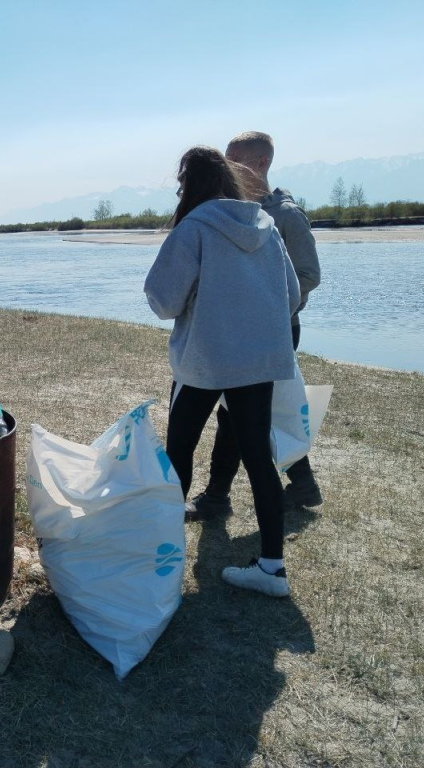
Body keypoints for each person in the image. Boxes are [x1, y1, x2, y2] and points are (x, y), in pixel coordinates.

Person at [144, 146, 300, 597]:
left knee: (180, 451)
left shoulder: (194, 228)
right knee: (259, 458)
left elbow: (162, 301)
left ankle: (163, 562)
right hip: (258, 362)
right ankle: (272, 569)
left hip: (204, 361)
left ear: (189, 185)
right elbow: (292, 296)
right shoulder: (266, 225)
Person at [189, 132, 323, 521]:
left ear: (261, 164)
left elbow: (309, 275)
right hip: (239, 334)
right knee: (242, 411)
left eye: (235, 160)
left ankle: (221, 497)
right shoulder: (231, 210)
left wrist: (266, 310)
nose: (226, 167)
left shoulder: (286, 215)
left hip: (276, 331)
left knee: (250, 412)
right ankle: (294, 486)